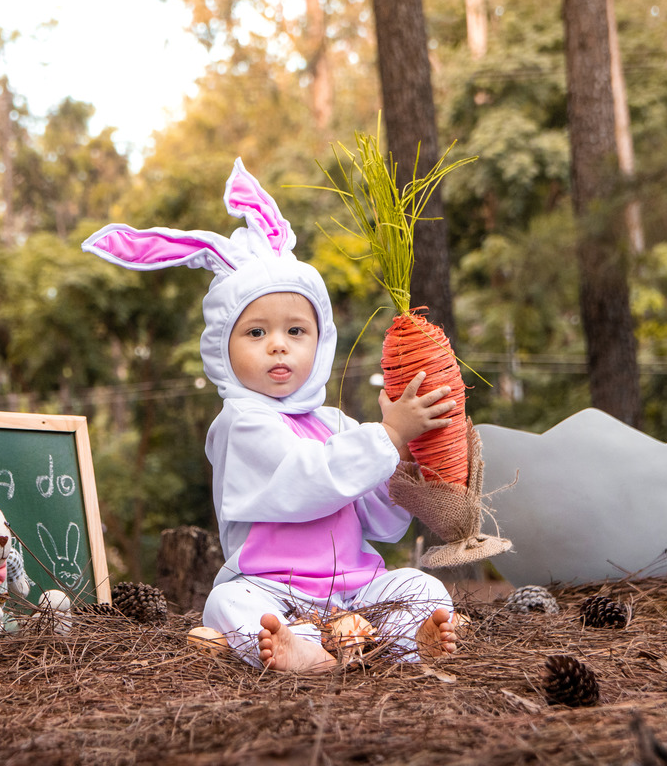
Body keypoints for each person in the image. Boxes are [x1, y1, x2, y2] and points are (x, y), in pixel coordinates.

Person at [83, 159, 458, 672]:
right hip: (272, 586)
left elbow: (383, 523)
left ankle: (408, 637)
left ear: (321, 341)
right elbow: (309, 477)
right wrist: (389, 434)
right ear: (222, 347)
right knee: (229, 605)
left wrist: (408, 462)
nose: (278, 346)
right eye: (256, 332)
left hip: (356, 586)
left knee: (420, 585)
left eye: (295, 332)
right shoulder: (241, 424)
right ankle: (301, 648)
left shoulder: (337, 425)